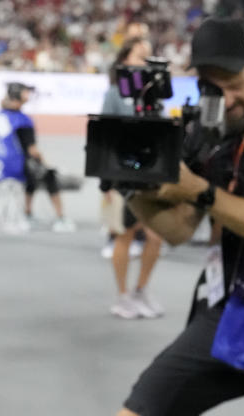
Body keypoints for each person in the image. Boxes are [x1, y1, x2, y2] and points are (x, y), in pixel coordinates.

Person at [119, 17, 244, 416]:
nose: (225, 100)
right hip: (235, 308)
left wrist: (199, 190)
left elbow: (200, 199)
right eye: (213, 87)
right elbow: (178, 230)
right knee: (145, 405)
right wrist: (133, 188)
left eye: (235, 85)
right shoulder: (215, 134)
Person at [100, 37, 165, 320]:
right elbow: (105, 134)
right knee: (124, 235)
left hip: (150, 173)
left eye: (149, 57)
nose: (145, 63)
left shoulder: (154, 94)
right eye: (140, 57)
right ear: (124, 60)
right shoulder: (114, 93)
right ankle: (122, 296)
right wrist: (107, 180)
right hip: (122, 173)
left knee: (155, 235)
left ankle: (141, 290)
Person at [0, 83, 75, 233]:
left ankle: (28, 212)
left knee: (32, 175)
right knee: (49, 175)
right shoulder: (23, 120)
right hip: (15, 168)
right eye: (26, 93)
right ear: (18, 95)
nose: (28, 96)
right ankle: (60, 217)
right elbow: (32, 150)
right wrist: (46, 164)